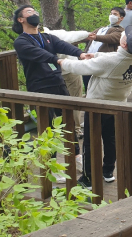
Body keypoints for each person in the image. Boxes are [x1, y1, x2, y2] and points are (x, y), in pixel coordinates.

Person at [59, 25, 132, 190]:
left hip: (97, 106)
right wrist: (97, 55)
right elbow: (116, 57)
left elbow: (80, 68)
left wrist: (61, 61)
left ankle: (88, 178)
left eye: (124, 35)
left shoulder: (109, 62)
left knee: (91, 142)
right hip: (118, 104)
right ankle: (108, 171)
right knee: (111, 139)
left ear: (124, 44)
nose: (122, 34)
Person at [12, 5, 92, 183]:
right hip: (39, 87)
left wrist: (80, 54)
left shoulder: (46, 37)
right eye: (29, 12)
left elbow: (63, 45)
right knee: (47, 128)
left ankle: (77, 158)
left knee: (68, 122)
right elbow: (39, 54)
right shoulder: (21, 41)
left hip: (58, 82)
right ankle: (50, 166)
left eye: (35, 11)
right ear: (21, 19)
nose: (35, 14)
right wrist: (57, 59)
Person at [43, 26, 88, 169]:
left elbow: (72, 36)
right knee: (64, 109)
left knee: (72, 102)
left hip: (68, 70)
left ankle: (75, 131)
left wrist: (88, 34)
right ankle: (73, 132)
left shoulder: (54, 35)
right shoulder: (29, 42)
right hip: (53, 75)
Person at [82, 7, 126, 92]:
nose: (111, 15)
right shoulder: (101, 29)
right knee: (87, 84)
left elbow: (110, 38)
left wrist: (96, 37)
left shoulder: (121, 31)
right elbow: (88, 36)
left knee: (99, 87)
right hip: (88, 60)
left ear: (121, 18)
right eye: (111, 13)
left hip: (102, 62)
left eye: (115, 14)